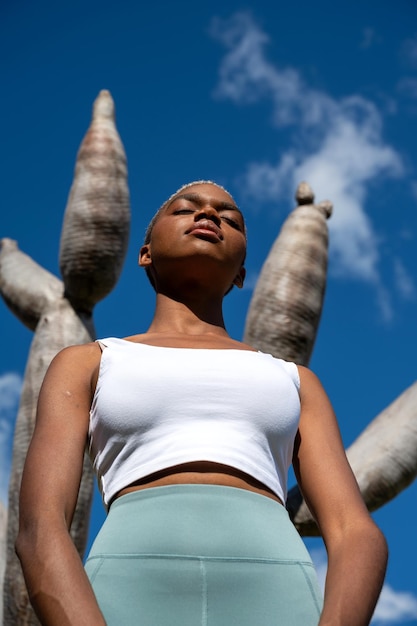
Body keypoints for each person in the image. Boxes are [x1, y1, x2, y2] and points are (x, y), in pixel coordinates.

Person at [16, 181, 388, 626]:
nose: (209, 215)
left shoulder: (295, 381)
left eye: (229, 219)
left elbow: (354, 531)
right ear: (146, 253)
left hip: (280, 593)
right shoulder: (86, 363)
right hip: (125, 585)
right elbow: (41, 525)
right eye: (186, 209)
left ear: (241, 275)